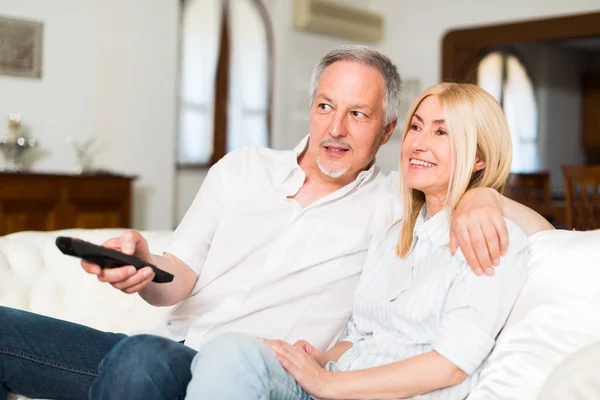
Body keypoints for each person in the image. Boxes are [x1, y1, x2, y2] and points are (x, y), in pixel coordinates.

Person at [0, 47, 551, 400]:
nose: (334, 129)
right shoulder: (242, 169)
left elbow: (517, 218)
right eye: (324, 107)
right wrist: (144, 265)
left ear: (384, 133)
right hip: (169, 354)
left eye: (357, 114)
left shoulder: (393, 203)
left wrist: (482, 197)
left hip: (253, 373)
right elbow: (179, 278)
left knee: (139, 359)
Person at [186, 82, 531, 400]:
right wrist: (320, 358)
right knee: (231, 350)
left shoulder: (490, 237)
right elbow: (358, 337)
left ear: (479, 157)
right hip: (334, 385)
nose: (418, 143)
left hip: (356, 392)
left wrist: (328, 383)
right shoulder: (392, 239)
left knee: (230, 355)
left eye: (441, 131)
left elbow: (451, 364)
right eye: (416, 126)